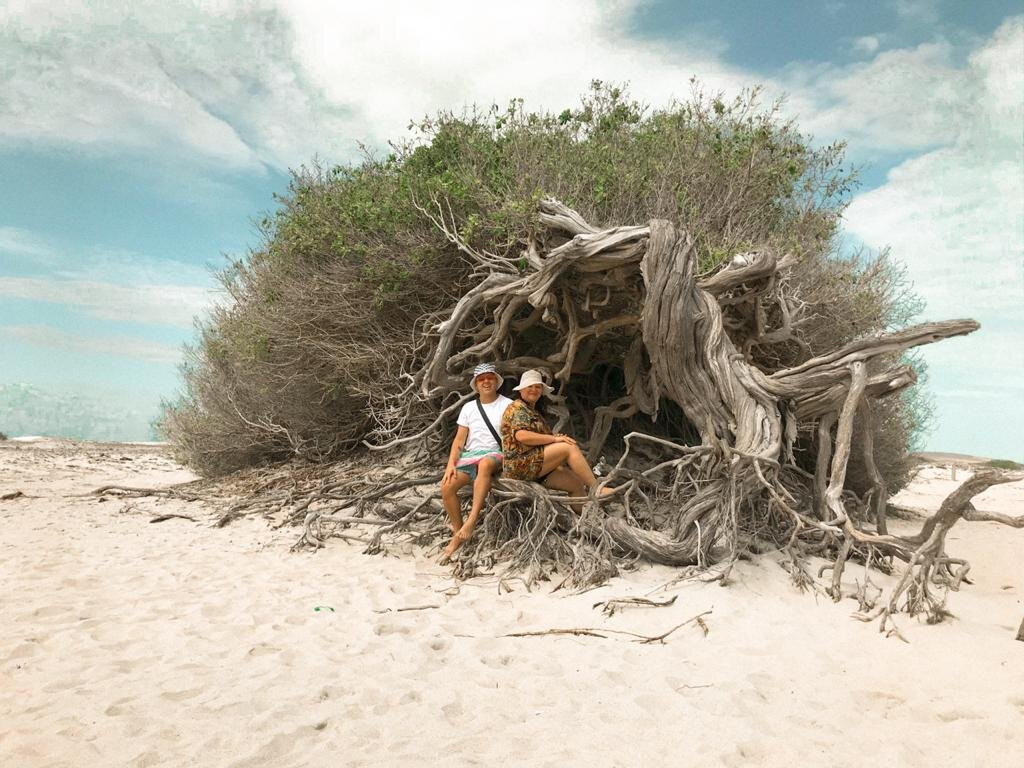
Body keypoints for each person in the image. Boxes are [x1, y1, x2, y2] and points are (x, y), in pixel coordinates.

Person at [440, 362, 513, 561]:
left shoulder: (507, 404)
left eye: (490, 378)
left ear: (496, 381)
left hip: (496, 453)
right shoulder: (469, 407)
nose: (486, 382)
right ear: (476, 384)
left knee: (485, 464)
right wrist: (450, 465)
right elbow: (459, 440)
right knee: (446, 487)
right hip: (471, 455)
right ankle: (459, 533)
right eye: (481, 379)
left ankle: (471, 521)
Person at [500, 369, 612, 498]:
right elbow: (522, 436)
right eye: (529, 386)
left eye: (537, 387)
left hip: (534, 463)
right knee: (568, 447)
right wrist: (553, 439)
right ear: (521, 390)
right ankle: (596, 488)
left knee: (575, 484)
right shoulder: (517, 407)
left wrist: (554, 439)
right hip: (520, 465)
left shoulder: (533, 411)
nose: (534, 389)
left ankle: (587, 516)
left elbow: (540, 439)